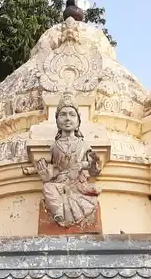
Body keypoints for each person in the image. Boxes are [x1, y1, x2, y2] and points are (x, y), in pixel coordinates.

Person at [35, 92, 102, 227]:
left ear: (78, 121)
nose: (67, 119)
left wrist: (90, 164)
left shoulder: (83, 145)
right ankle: (59, 212)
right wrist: (47, 175)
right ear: (57, 121)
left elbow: (93, 170)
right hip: (60, 183)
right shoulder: (55, 146)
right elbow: (56, 169)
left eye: (72, 115)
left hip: (78, 184)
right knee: (48, 188)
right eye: (63, 115)